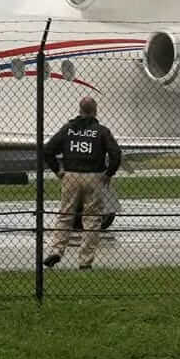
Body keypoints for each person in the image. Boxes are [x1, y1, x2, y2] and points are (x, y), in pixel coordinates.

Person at [42, 96, 122, 270]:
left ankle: (56, 250)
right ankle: (85, 261)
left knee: (65, 216)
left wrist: (58, 171)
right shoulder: (101, 131)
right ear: (95, 111)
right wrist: (108, 173)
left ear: (79, 110)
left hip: (71, 175)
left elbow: (48, 151)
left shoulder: (68, 129)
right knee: (92, 219)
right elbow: (116, 154)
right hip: (94, 176)